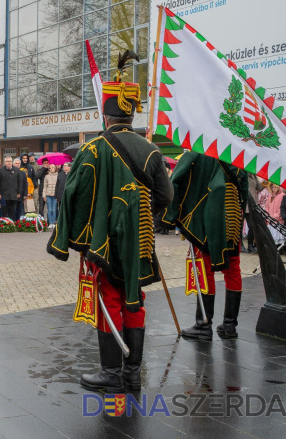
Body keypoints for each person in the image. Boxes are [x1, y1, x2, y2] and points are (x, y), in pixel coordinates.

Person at [47, 56, 173, 393]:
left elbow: (74, 195)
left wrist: (78, 236)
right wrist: (141, 212)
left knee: (111, 299)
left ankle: (112, 373)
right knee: (135, 297)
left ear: (106, 114)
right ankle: (133, 372)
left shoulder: (94, 148)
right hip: (141, 236)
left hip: (103, 239)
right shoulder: (151, 149)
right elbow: (165, 195)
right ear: (131, 114)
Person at [162, 152, 248, 341]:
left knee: (205, 269)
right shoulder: (236, 153)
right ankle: (229, 325)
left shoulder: (198, 152)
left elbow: (174, 181)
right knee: (233, 269)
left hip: (207, 215)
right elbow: (244, 189)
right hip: (232, 214)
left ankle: (203, 324)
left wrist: (170, 217)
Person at [42, 164, 59, 228]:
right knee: (49, 209)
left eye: (53, 168)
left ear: (55, 168)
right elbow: (45, 186)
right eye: (50, 168)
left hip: (55, 195)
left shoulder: (58, 176)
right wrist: (44, 195)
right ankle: (50, 223)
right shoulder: (46, 176)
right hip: (48, 195)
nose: (51, 169)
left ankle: (53, 222)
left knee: (54, 209)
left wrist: (58, 195)